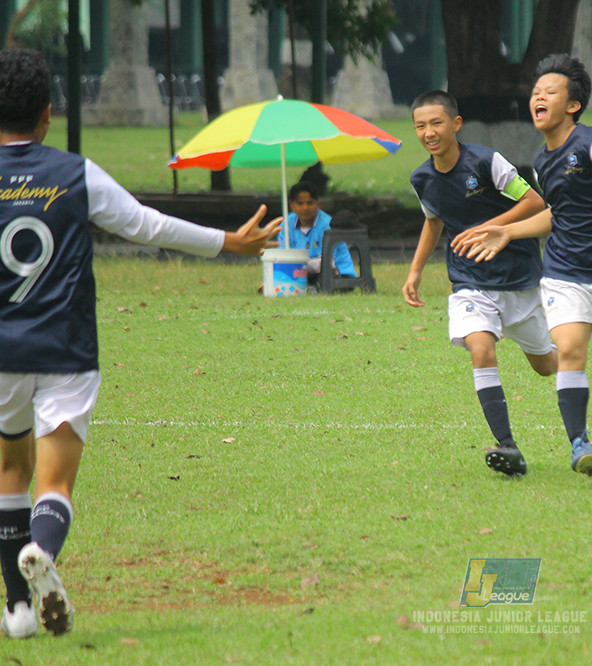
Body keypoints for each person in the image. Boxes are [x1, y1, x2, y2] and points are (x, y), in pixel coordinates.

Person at [0, 48, 282, 638]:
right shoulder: (74, 173)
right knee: (53, 483)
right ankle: (44, 553)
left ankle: (18, 610)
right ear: (48, 114)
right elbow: (146, 223)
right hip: (65, 349)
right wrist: (229, 242)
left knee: (8, 471)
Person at [453, 54, 592, 477]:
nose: (538, 98)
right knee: (569, 350)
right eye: (535, 93)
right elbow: (557, 214)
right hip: (564, 269)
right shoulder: (543, 161)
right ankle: (579, 443)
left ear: (573, 105)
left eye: (549, 92)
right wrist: (509, 232)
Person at [403, 90, 557, 476]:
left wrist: (492, 227)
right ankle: (508, 446)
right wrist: (415, 270)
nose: (428, 132)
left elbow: (535, 203)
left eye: (436, 123)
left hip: (520, 278)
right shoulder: (422, 178)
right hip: (469, 282)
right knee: (481, 349)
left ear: (455, 124)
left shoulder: (486, 162)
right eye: (420, 126)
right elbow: (433, 220)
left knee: (547, 365)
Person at [276, 180, 357, 285]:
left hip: (339, 273)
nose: (305, 208)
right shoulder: (286, 224)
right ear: (292, 206)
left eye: (310, 203)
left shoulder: (328, 225)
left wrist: (299, 265)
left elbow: (327, 261)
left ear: (318, 204)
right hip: (302, 273)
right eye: (300, 203)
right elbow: (283, 255)